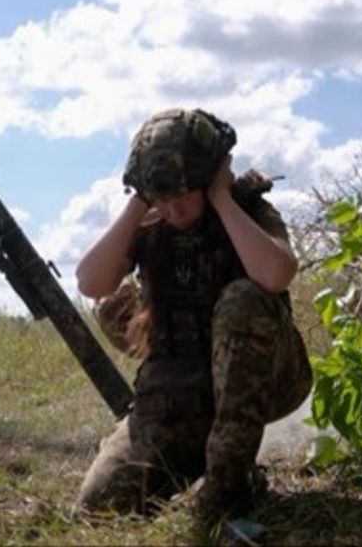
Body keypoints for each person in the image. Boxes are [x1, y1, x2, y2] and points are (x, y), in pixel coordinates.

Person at [73, 108, 313, 533]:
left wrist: (221, 197)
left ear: (210, 178)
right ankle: (196, 460)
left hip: (265, 382)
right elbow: (91, 282)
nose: (174, 209)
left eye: (184, 194)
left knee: (242, 301)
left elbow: (276, 274)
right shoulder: (150, 223)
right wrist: (139, 201)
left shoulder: (247, 211)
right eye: (161, 198)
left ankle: (228, 487)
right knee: (100, 506)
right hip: (181, 395)